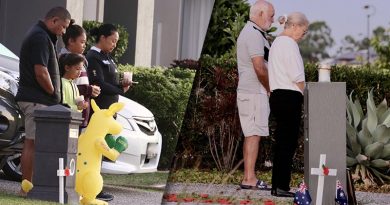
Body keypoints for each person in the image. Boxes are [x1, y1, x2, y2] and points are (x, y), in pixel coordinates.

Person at [15, 6, 71, 194]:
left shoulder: (43, 35)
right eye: (62, 27)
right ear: (53, 20)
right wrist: (53, 91)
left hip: (38, 99)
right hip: (35, 100)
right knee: (33, 143)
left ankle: (31, 186)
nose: (63, 32)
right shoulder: (40, 37)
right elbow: (41, 72)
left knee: (36, 143)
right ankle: (26, 189)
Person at [85, 23, 131, 202]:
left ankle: (96, 186)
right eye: (112, 40)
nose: (114, 44)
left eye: (116, 42)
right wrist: (119, 90)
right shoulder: (93, 56)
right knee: (97, 149)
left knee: (102, 150)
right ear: (102, 38)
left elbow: (110, 81)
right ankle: (94, 189)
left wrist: (123, 85)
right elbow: (99, 83)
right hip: (99, 110)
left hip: (109, 112)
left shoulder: (108, 57)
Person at [268, 12, 309, 197]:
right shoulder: (289, 44)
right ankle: (282, 186)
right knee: (288, 143)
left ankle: (277, 185)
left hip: (276, 94)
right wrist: (305, 92)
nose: (303, 34)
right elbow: (297, 75)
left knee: (281, 142)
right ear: (294, 26)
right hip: (289, 96)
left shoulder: (276, 42)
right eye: (304, 30)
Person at [236, 0, 274, 190]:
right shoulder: (253, 34)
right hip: (253, 92)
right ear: (260, 14)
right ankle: (249, 178)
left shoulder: (256, 33)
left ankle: (249, 177)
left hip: (252, 92)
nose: (273, 19)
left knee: (252, 133)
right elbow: (259, 68)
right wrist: (269, 88)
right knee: (253, 134)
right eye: (271, 15)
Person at [59, 21, 101, 128]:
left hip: (79, 115)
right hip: (69, 117)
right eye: (82, 42)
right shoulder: (64, 60)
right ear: (71, 41)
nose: (84, 46)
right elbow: (70, 88)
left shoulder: (80, 59)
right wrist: (89, 90)